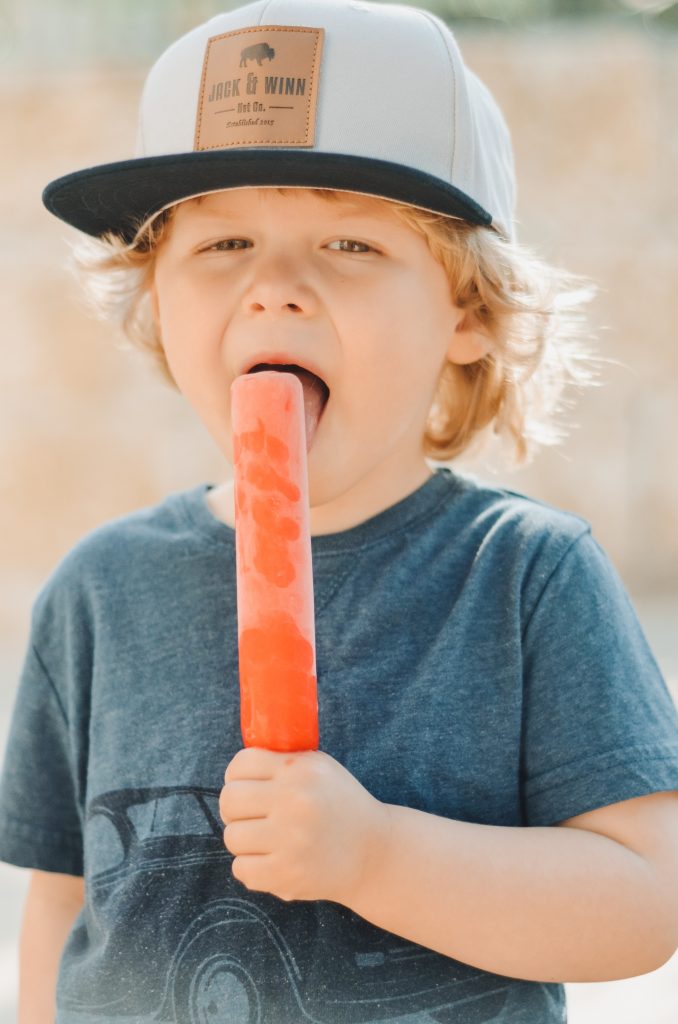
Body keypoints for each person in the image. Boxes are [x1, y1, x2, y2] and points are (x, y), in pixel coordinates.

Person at [2, 1, 677, 1021]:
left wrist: (378, 855)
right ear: (155, 299)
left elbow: (645, 902)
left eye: (351, 244)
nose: (275, 288)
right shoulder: (99, 591)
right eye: (224, 242)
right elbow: (63, 904)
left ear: (468, 311)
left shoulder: (524, 576)